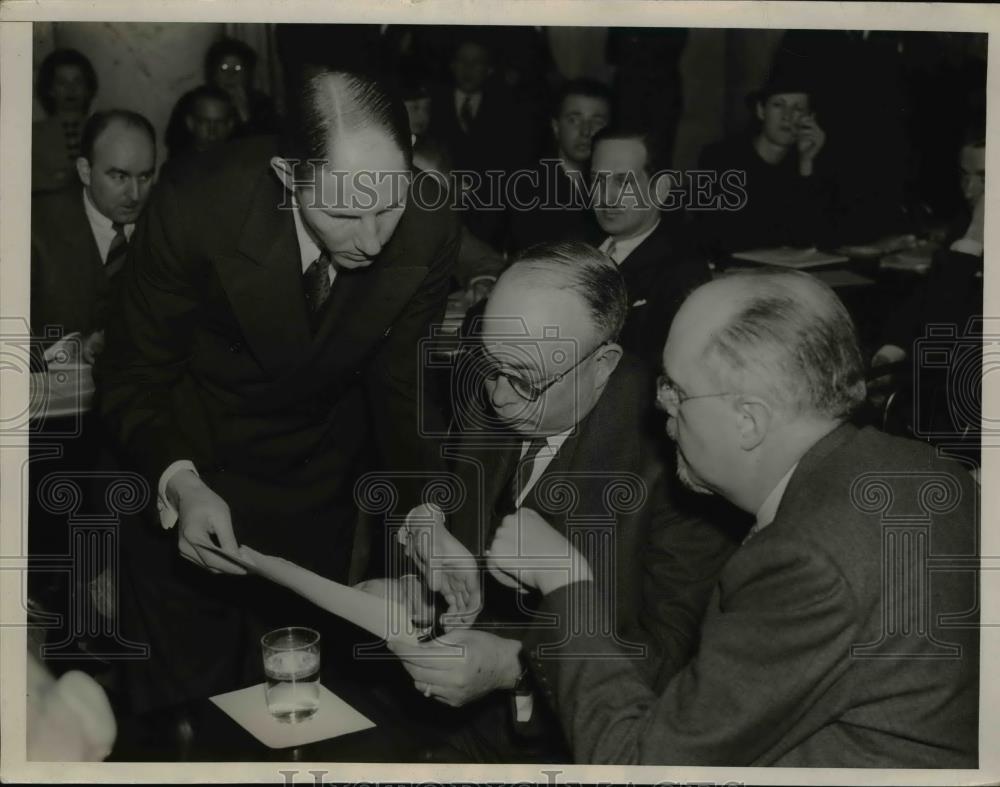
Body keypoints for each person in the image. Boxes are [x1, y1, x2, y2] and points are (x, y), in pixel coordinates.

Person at [487, 269, 979, 766]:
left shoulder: (803, 562)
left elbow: (636, 766)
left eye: (677, 390)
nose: (661, 407)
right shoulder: (928, 469)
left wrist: (564, 581)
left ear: (749, 420)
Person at [96, 70, 460, 712]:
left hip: (313, 486)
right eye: (344, 213)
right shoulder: (195, 205)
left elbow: (403, 388)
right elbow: (134, 376)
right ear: (290, 176)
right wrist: (182, 484)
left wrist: (424, 518)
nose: (372, 240)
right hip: (186, 472)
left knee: (301, 711)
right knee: (189, 713)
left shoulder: (428, 226)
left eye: (390, 205)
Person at [383, 243, 744, 762]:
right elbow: (448, 504)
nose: (499, 396)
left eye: (525, 381)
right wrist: (414, 578)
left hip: (571, 749)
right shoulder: (500, 379)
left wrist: (516, 666)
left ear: (603, 364)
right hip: (444, 723)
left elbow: (672, 664)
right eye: (488, 365)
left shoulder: (681, 465)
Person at [870, 128, 985, 463]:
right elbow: (928, 297)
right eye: (964, 177)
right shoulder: (967, 223)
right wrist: (893, 347)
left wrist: (973, 241)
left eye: (985, 178)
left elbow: (942, 326)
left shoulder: (973, 229)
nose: (970, 191)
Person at [31, 110, 157, 365]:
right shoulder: (32, 229)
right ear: (85, 171)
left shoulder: (168, 222)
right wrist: (65, 347)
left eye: (144, 176)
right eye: (119, 176)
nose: (134, 195)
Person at [590, 125, 710, 368]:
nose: (606, 196)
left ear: (661, 189)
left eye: (624, 182)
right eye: (597, 180)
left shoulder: (682, 272)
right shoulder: (572, 247)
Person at [695, 71, 833, 257]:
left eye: (798, 109)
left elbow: (809, 240)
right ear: (761, 110)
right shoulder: (721, 158)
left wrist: (806, 164)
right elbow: (717, 237)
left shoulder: (806, 164)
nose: (787, 116)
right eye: (778, 105)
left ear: (810, 118)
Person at [508, 79, 611, 252]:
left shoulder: (615, 182)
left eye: (597, 122)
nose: (586, 131)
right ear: (556, 127)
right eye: (574, 120)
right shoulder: (528, 184)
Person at [32, 48, 99, 194]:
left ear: (88, 88)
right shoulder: (34, 134)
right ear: (50, 89)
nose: (71, 89)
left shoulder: (101, 129)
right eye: (62, 82)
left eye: (78, 81)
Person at [204, 36, 280, 138]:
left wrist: (245, 116)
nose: (230, 75)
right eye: (224, 68)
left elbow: (267, 144)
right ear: (213, 73)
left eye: (237, 69)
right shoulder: (197, 101)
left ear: (247, 74)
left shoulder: (262, 104)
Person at [163, 83, 237, 164]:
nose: (212, 131)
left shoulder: (241, 163)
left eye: (219, 122)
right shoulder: (177, 168)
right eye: (204, 122)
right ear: (190, 123)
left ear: (230, 125)